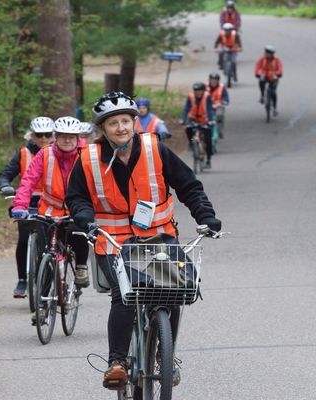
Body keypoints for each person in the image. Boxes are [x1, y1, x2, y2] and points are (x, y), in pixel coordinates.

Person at [65, 91, 221, 391]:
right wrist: (86, 220)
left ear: (135, 123)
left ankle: (167, 357)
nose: (121, 127)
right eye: (113, 123)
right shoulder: (88, 158)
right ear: (102, 128)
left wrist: (206, 216)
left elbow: (188, 186)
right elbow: (76, 198)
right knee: (125, 295)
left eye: (126, 120)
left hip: (158, 237)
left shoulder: (155, 149)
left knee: (172, 291)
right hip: (112, 240)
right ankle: (118, 362)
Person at [11, 116, 91, 322]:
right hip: (49, 211)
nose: (67, 140)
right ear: (56, 137)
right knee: (46, 257)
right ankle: (43, 305)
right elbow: (28, 180)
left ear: (78, 137)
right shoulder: (45, 155)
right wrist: (20, 205)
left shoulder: (87, 155)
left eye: (71, 137)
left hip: (76, 209)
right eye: (63, 136)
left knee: (78, 231)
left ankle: (81, 266)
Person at [0, 116, 54, 298]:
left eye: (47, 134)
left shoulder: (59, 153)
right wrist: (5, 186)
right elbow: (5, 174)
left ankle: (50, 280)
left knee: (51, 245)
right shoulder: (23, 154)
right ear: (32, 136)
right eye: (39, 135)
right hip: (26, 202)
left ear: (53, 135)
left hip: (51, 202)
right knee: (23, 240)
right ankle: (22, 279)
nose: (43, 138)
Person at [180, 82, 215, 168]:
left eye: (199, 90)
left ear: (203, 91)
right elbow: (186, 108)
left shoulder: (207, 97)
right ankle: (191, 142)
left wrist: (210, 121)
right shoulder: (191, 97)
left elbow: (210, 109)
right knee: (188, 129)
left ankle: (208, 160)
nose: (197, 92)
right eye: (196, 90)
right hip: (193, 119)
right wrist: (182, 119)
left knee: (208, 140)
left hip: (205, 120)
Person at [254, 45, 283, 116]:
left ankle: (274, 108)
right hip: (264, 76)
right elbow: (257, 65)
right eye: (266, 52)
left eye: (268, 53)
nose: (266, 54)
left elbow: (280, 67)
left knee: (273, 93)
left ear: (272, 54)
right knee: (261, 82)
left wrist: (279, 74)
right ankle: (262, 95)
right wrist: (257, 73)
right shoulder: (263, 59)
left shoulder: (276, 60)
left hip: (273, 77)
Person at [206, 72, 229, 138]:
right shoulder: (205, 86)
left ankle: (220, 131)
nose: (213, 81)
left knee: (219, 115)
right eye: (212, 80)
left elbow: (226, 97)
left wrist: (225, 102)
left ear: (218, 81)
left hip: (218, 105)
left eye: (215, 80)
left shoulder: (222, 87)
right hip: (208, 106)